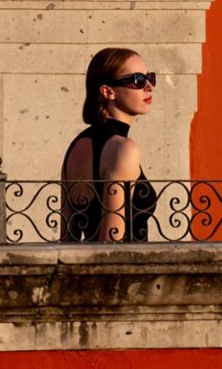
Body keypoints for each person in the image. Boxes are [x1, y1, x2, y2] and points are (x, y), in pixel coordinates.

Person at [60, 47, 158, 243]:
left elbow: (68, 240)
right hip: (123, 271)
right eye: (138, 80)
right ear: (108, 91)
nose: (149, 87)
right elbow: (111, 243)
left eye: (150, 78)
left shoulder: (77, 146)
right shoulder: (124, 148)